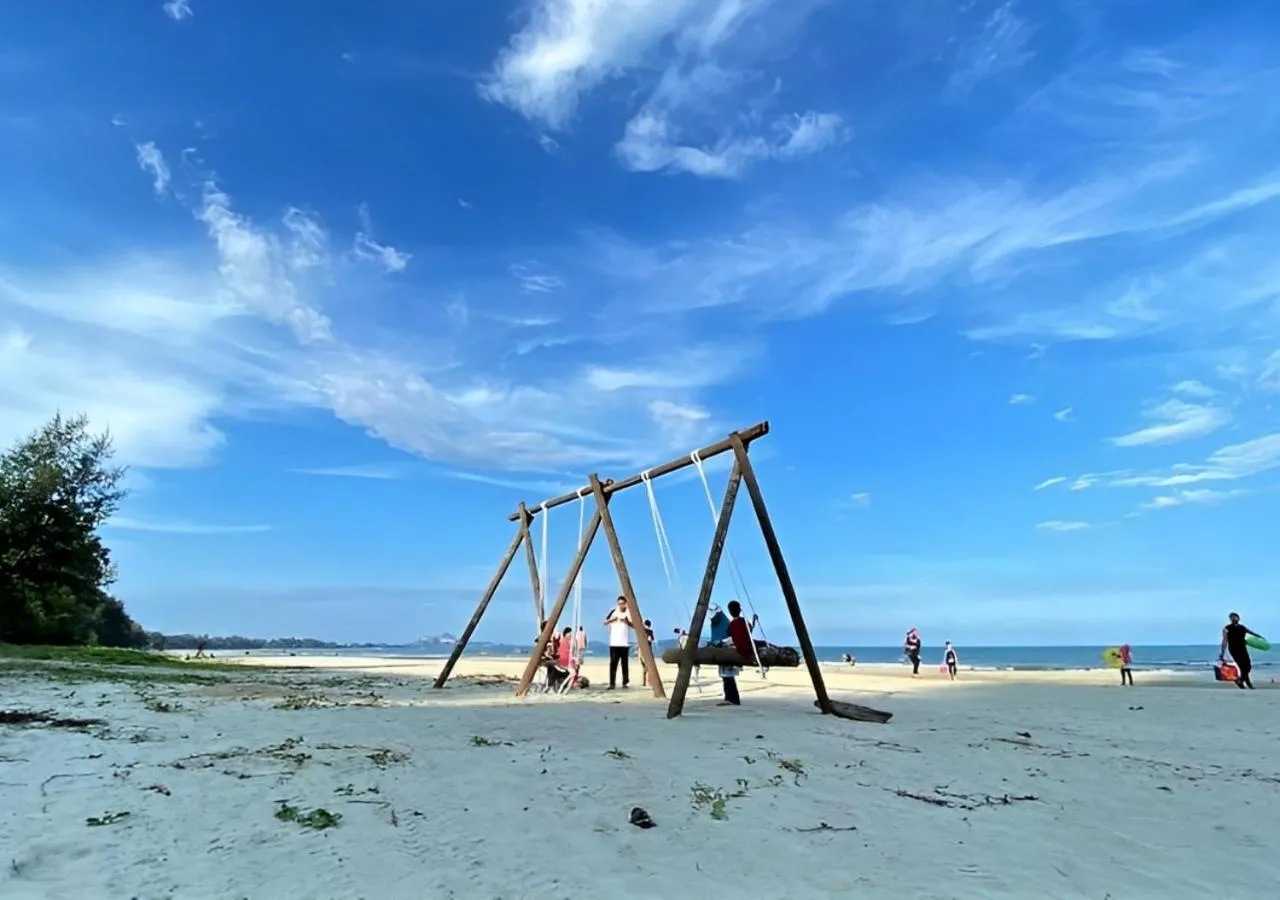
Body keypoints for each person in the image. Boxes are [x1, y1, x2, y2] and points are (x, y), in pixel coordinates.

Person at [718, 600, 756, 706]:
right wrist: (753, 622)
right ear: (739, 610)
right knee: (727, 673)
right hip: (746, 649)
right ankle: (731, 697)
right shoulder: (744, 622)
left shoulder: (732, 624)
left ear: (730, 612)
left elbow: (731, 638)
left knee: (726, 671)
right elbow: (749, 632)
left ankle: (732, 698)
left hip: (739, 651)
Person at [1220, 612, 1262, 690]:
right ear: (1230, 619)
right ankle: (1247, 683)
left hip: (1242, 648)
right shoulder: (1227, 628)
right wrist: (1222, 653)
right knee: (1242, 667)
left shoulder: (1242, 627)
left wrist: (1259, 638)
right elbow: (1224, 640)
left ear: (1238, 618)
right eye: (1232, 617)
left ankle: (1240, 680)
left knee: (1248, 666)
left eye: (1236, 617)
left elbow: (1250, 633)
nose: (1234, 618)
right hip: (1234, 649)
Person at [603, 596, 634, 689]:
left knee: (625, 664)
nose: (621, 605)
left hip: (624, 643)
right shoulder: (613, 611)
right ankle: (612, 683)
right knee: (613, 664)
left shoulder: (628, 612)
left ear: (625, 604)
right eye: (619, 603)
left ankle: (625, 682)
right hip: (614, 643)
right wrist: (612, 620)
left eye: (622, 603)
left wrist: (626, 622)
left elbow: (634, 625)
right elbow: (605, 622)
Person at [640, 619, 656, 687]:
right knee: (649, 666)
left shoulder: (642, 630)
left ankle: (644, 682)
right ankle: (649, 682)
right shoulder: (650, 631)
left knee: (644, 667)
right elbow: (652, 639)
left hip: (641, 650)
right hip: (648, 650)